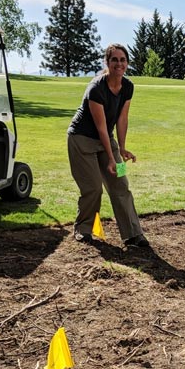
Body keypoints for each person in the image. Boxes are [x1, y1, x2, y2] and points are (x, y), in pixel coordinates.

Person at [67, 43, 149, 247]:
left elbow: (122, 119)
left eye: (123, 60)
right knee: (93, 187)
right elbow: (101, 127)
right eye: (114, 60)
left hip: (107, 141)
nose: (119, 64)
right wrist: (111, 159)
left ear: (127, 63)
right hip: (81, 140)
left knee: (121, 184)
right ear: (107, 62)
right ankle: (83, 228)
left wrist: (120, 148)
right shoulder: (96, 88)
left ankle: (133, 233)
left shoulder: (128, 86)